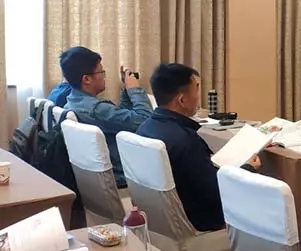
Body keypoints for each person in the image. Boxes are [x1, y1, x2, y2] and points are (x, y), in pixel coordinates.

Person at [136, 63, 260, 232]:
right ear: (182, 100)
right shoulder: (185, 141)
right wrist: (248, 169)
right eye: (196, 89)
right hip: (202, 223)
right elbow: (218, 192)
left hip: (160, 221)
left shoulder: (145, 128)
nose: (198, 96)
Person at [62, 46, 153, 188]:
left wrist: (126, 90)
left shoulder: (73, 101)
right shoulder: (97, 109)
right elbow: (144, 120)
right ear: (87, 79)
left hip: (99, 176)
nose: (104, 76)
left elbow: (122, 119)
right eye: (101, 72)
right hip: (122, 174)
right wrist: (134, 89)